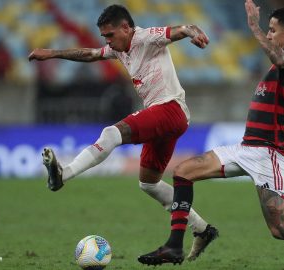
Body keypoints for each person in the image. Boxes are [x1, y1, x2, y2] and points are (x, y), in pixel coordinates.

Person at [138, 1, 284, 269]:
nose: (270, 34)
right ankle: (174, 245)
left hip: (269, 154)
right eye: (268, 29)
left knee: (281, 229)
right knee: (183, 172)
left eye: (273, 30)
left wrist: (253, 25)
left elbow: (280, 57)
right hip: (246, 147)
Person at [28, 4, 218, 261]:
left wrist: (193, 31)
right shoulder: (120, 49)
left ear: (126, 28)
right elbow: (91, 54)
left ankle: (65, 174)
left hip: (170, 109)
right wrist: (51, 53)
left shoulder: (145, 37)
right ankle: (202, 229)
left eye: (110, 35)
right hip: (164, 117)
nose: (107, 41)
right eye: (104, 36)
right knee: (149, 183)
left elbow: (179, 29)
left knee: (111, 133)